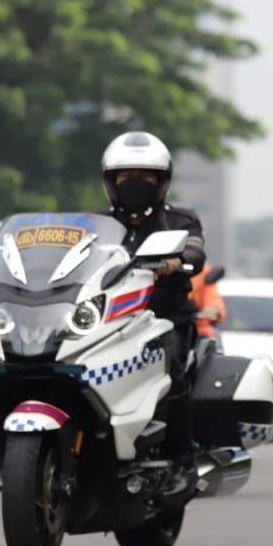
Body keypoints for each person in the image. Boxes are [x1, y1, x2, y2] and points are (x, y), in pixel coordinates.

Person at [102, 132, 206, 490]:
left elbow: (195, 253)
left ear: (162, 183)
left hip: (164, 320)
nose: (135, 185)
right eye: (126, 177)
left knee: (170, 373)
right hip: (108, 322)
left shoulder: (179, 220)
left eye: (145, 178)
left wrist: (177, 261)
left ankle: (182, 461)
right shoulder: (99, 227)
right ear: (111, 183)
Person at [190, 263, 227, 341]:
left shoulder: (201, 270)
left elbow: (212, 297)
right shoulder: (158, 267)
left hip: (196, 330)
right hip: (161, 328)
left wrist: (214, 309)